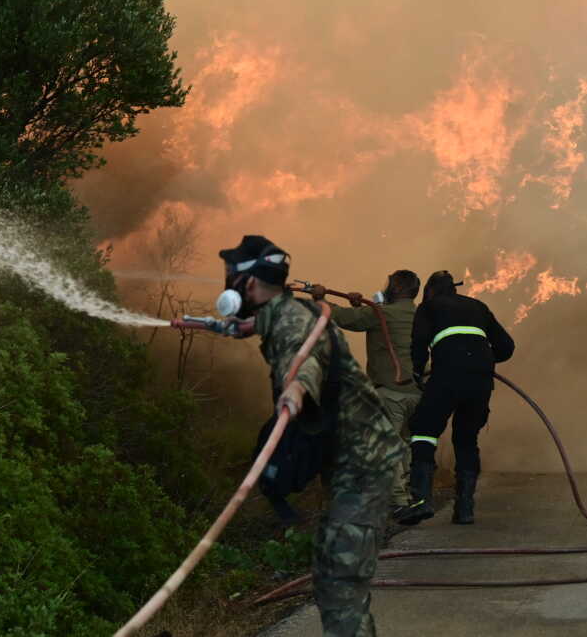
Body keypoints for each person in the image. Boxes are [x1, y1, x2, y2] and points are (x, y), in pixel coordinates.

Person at [217, 235, 402, 636]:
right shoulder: (285, 312)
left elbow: (305, 359)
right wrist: (245, 325)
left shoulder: (296, 325)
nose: (227, 284)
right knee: (330, 569)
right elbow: (282, 325)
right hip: (344, 455)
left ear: (247, 285)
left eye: (230, 276)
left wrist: (295, 392)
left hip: (365, 462)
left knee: (340, 580)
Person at [400, 270, 515, 526]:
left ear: (430, 290)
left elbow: (418, 343)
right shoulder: (478, 306)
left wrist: (417, 373)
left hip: (447, 376)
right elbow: (507, 347)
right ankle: (464, 509)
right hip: (480, 380)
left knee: (423, 429)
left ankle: (421, 501)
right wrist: (478, 360)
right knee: (466, 437)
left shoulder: (428, 307)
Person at [313, 271, 422, 520]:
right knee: (407, 445)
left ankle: (400, 502)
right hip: (418, 393)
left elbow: (340, 317)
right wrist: (362, 303)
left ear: (396, 287)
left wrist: (319, 298)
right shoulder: (419, 315)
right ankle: (413, 496)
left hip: (391, 392)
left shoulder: (381, 313)